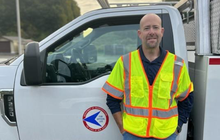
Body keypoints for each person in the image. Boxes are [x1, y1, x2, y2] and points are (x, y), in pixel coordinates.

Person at [102, 13, 193, 140]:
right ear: (140, 34)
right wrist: (122, 128)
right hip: (133, 135)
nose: (151, 32)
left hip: (166, 135)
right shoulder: (125, 62)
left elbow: (187, 99)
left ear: (162, 32)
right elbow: (112, 99)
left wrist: (177, 128)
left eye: (155, 27)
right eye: (147, 28)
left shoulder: (177, 64)